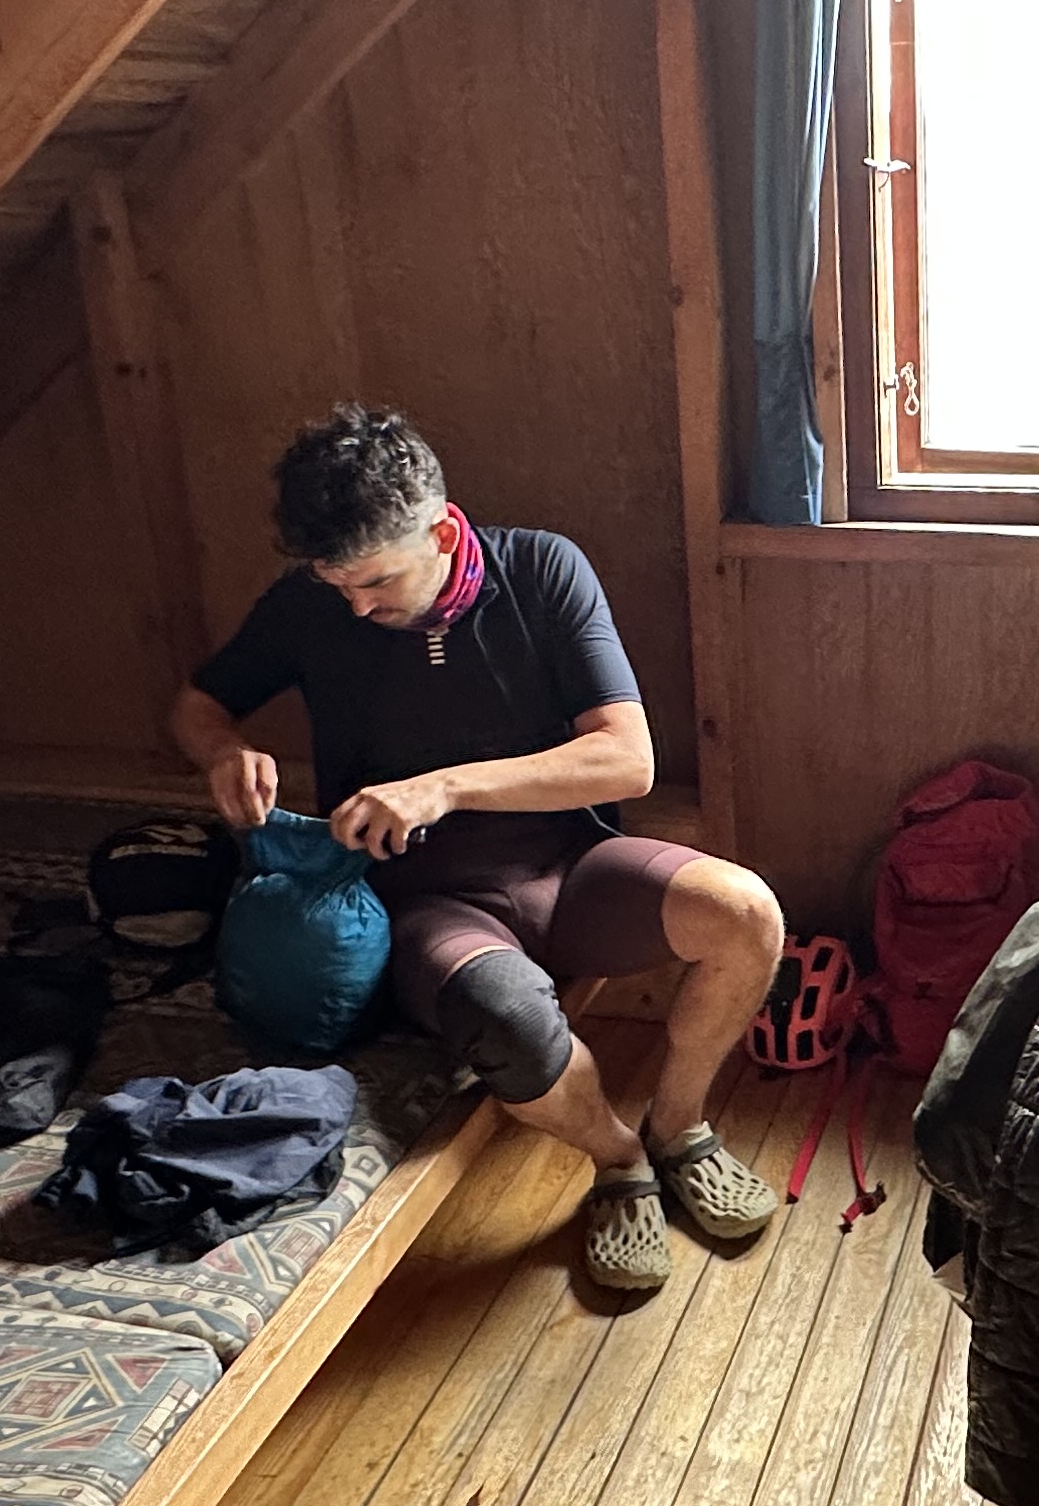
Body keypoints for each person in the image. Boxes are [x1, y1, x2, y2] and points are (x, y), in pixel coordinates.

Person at [170, 405, 789, 1296]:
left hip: (571, 866)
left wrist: (446, 785)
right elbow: (198, 706)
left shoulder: (539, 569)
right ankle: (619, 1159)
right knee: (505, 1019)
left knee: (747, 915)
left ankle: (678, 1127)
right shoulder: (309, 604)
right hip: (427, 900)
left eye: (377, 581)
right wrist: (225, 752)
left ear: (443, 532)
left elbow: (627, 759)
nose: (357, 606)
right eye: (337, 584)